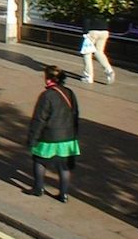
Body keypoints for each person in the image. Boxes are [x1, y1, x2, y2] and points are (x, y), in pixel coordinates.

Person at [27, 65, 80, 203]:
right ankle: (63, 195)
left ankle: (38, 189)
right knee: (63, 166)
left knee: (39, 160)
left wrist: (32, 139)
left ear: (48, 78)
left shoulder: (47, 96)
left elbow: (39, 119)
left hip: (49, 138)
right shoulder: (69, 92)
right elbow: (75, 114)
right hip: (67, 138)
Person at [81, 12, 115, 84]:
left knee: (87, 53)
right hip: (104, 31)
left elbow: (86, 19)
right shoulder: (104, 7)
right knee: (99, 52)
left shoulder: (89, 7)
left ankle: (88, 77)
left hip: (92, 31)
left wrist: (85, 32)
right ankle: (109, 70)